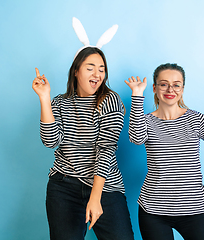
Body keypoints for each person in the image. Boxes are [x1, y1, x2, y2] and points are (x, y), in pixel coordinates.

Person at [32, 18, 134, 240]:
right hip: (63, 187)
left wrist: (96, 196)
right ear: (76, 71)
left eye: (102, 69)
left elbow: (106, 147)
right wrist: (44, 97)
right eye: (90, 68)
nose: (97, 74)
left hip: (104, 186)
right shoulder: (60, 102)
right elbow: (51, 141)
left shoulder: (110, 100)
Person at [125, 63, 204, 240]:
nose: (170, 89)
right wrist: (136, 94)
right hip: (153, 211)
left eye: (176, 84)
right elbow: (136, 138)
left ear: (182, 88)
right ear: (155, 88)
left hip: (192, 210)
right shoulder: (146, 121)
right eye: (164, 84)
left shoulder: (197, 119)